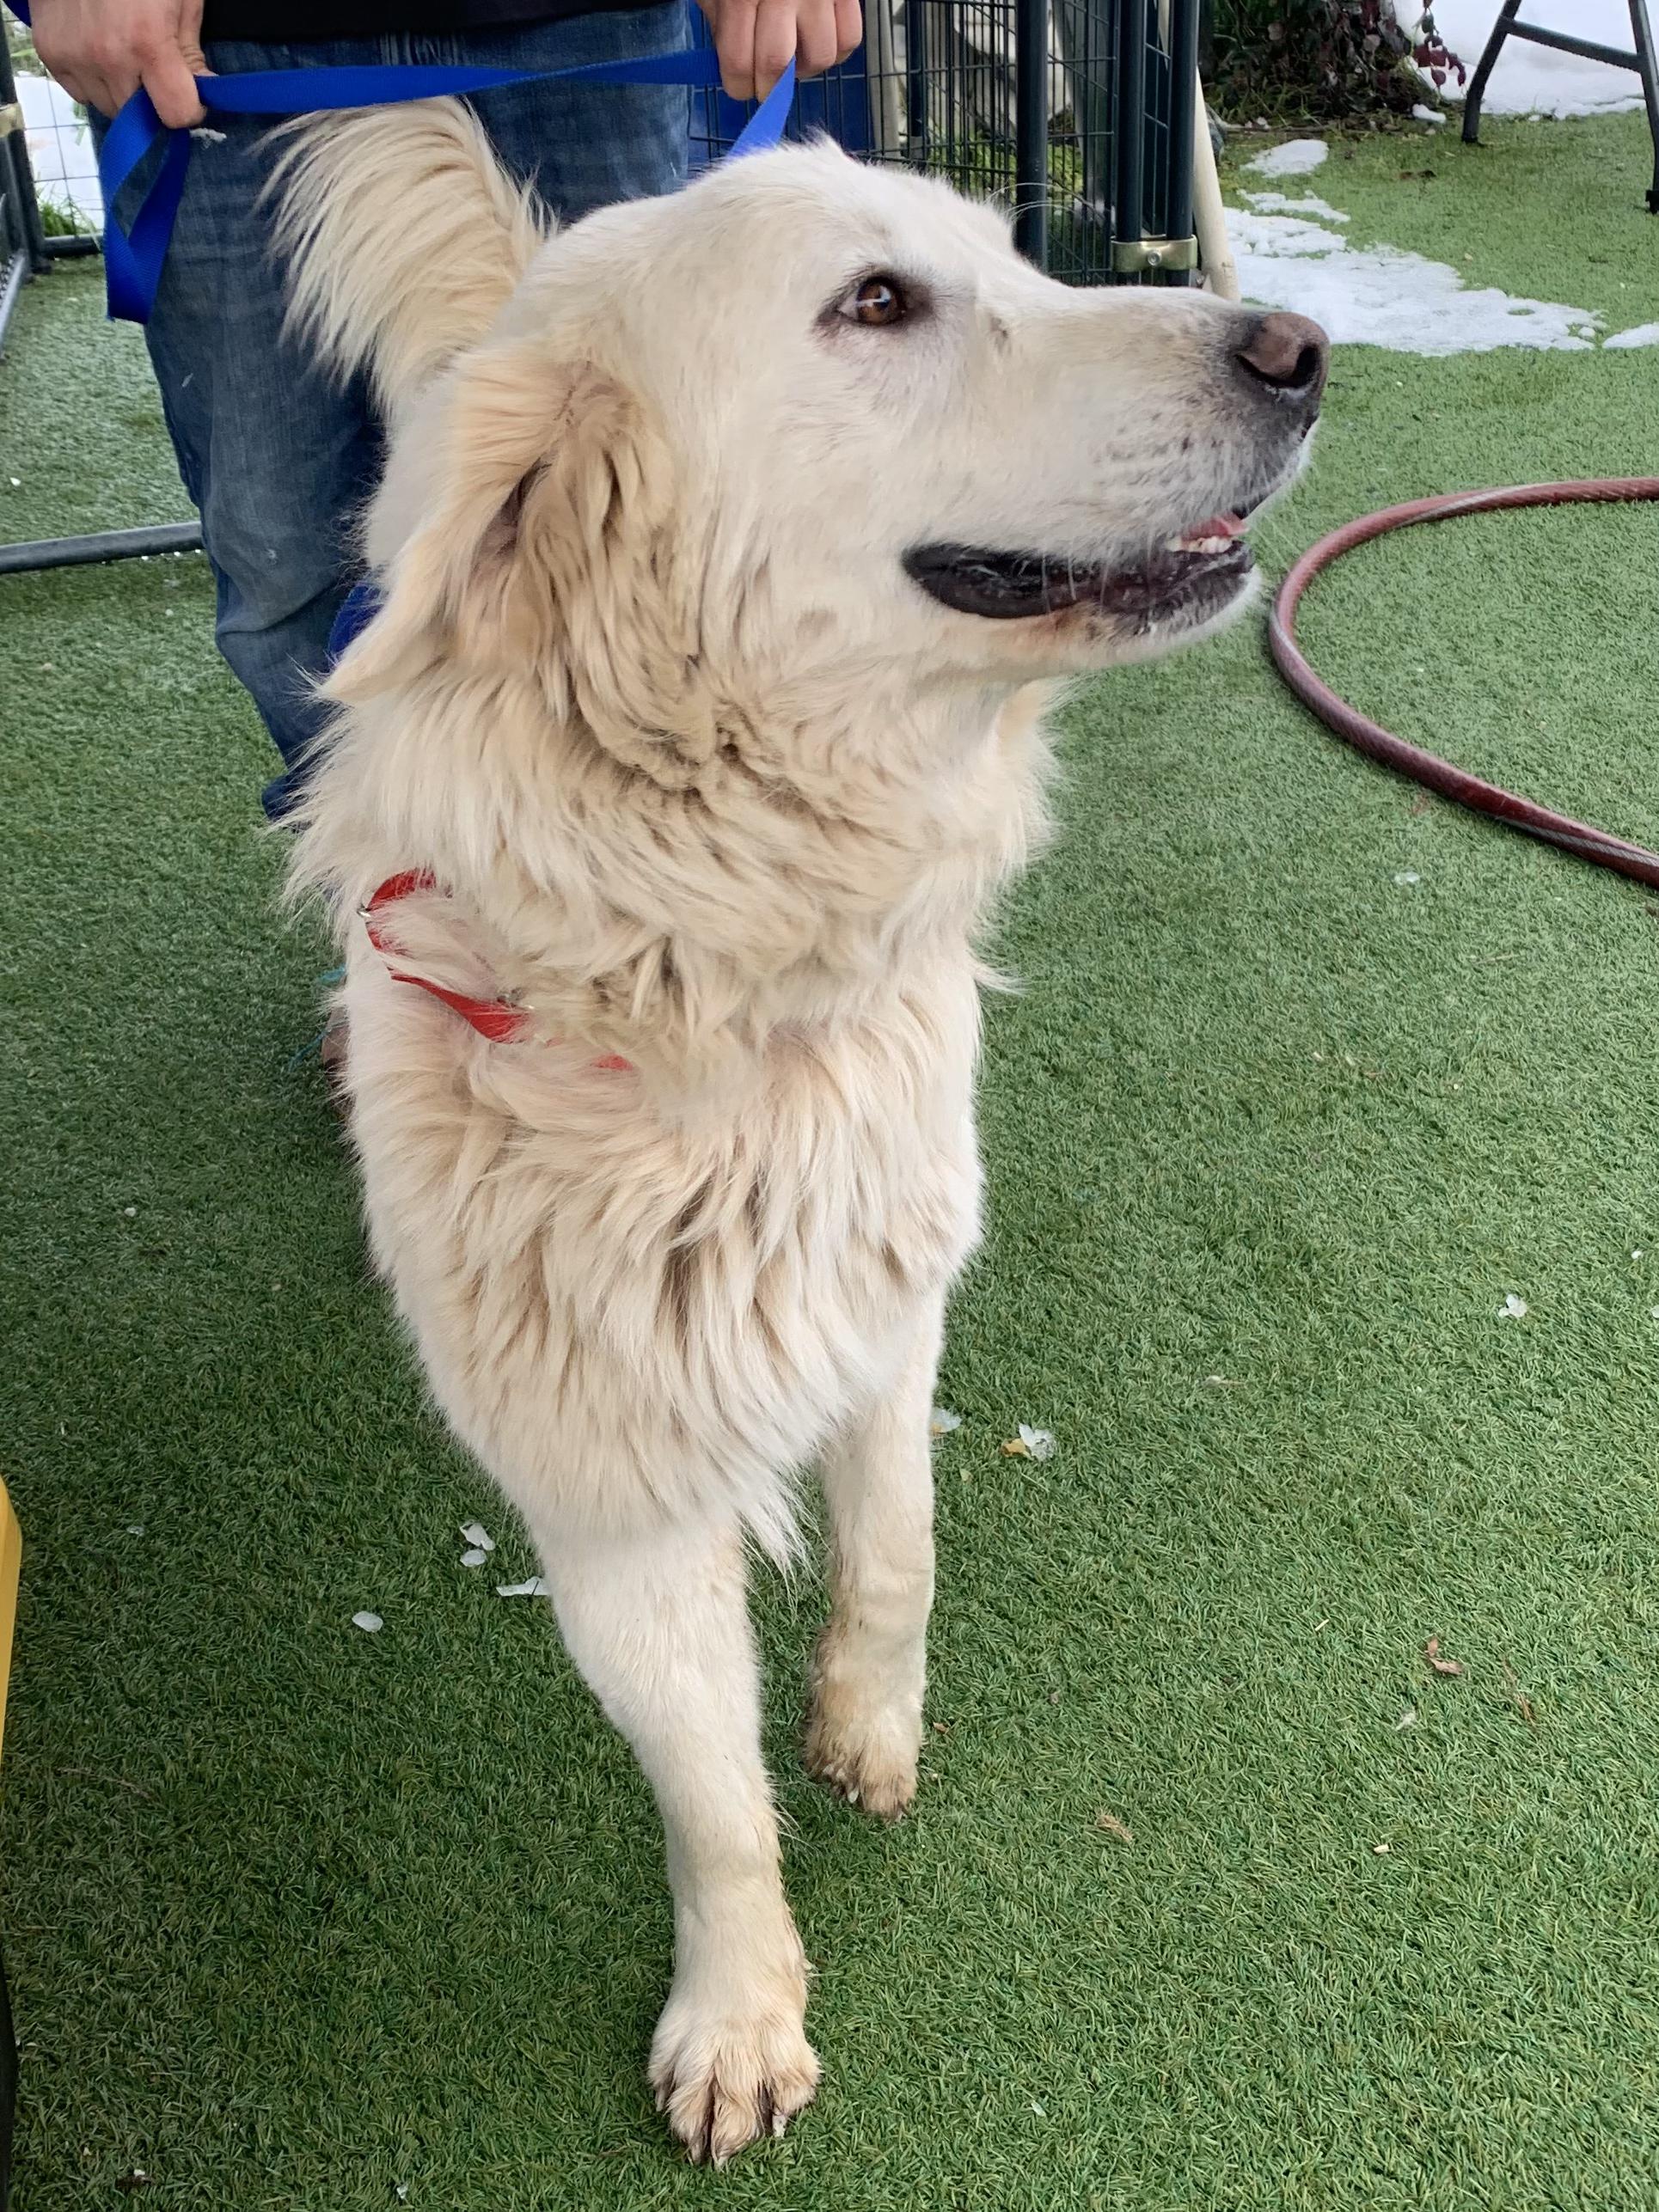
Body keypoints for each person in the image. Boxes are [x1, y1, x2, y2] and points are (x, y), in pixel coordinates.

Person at [30, 0, 859, 817]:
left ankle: (632, 861)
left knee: (651, 534)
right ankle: (386, 877)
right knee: (277, 553)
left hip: (583, 23)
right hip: (221, 45)